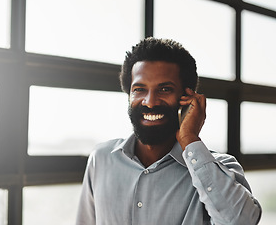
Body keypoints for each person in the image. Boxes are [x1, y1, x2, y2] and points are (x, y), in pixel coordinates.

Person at [76, 37, 262, 225]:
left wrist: (189, 139)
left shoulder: (220, 170)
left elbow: (242, 222)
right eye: (139, 89)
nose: (150, 101)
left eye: (165, 89)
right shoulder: (101, 159)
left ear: (187, 97)